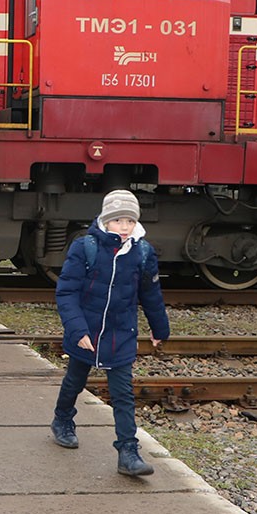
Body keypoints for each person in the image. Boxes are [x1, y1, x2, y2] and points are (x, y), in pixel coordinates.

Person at [51, 189, 169, 476]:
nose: (124, 227)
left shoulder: (142, 252)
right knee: (74, 381)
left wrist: (159, 327)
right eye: (118, 221)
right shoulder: (85, 247)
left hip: (121, 332)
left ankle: (128, 451)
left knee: (123, 393)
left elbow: (151, 293)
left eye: (130, 221)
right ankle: (62, 419)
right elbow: (66, 292)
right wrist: (77, 329)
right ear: (106, 220)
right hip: (86, 331)